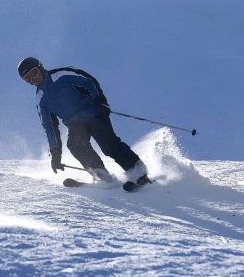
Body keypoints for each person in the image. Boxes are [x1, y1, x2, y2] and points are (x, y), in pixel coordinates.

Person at [18, 57, 151, 186]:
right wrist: (56, 153)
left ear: (40, 68)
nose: (33, 79)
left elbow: (88, 81)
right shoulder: (40, 98)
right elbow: (50, 127)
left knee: (109, 146)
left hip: (93, 113)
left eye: (34, 73)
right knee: (76, 146)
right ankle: (102, 175)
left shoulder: (61, 75)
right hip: (75, 124)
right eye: (28, 79)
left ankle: (138, 173)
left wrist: (100, 101)